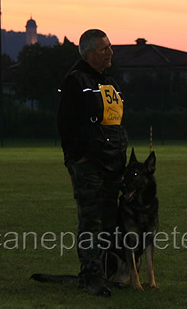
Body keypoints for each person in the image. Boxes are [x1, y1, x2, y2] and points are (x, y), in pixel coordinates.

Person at [57, 29, 128, 296]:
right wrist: (79, 157)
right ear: (89, 54)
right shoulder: (76, 81)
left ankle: (109, 274)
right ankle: (90, 277)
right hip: (89, 164)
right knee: (91, 220)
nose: (110, 52)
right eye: (104, 49)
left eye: (110, 47)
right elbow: (65, 123)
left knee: (110, 220)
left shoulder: (108, 81)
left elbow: (115, 121)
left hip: (112, 163)